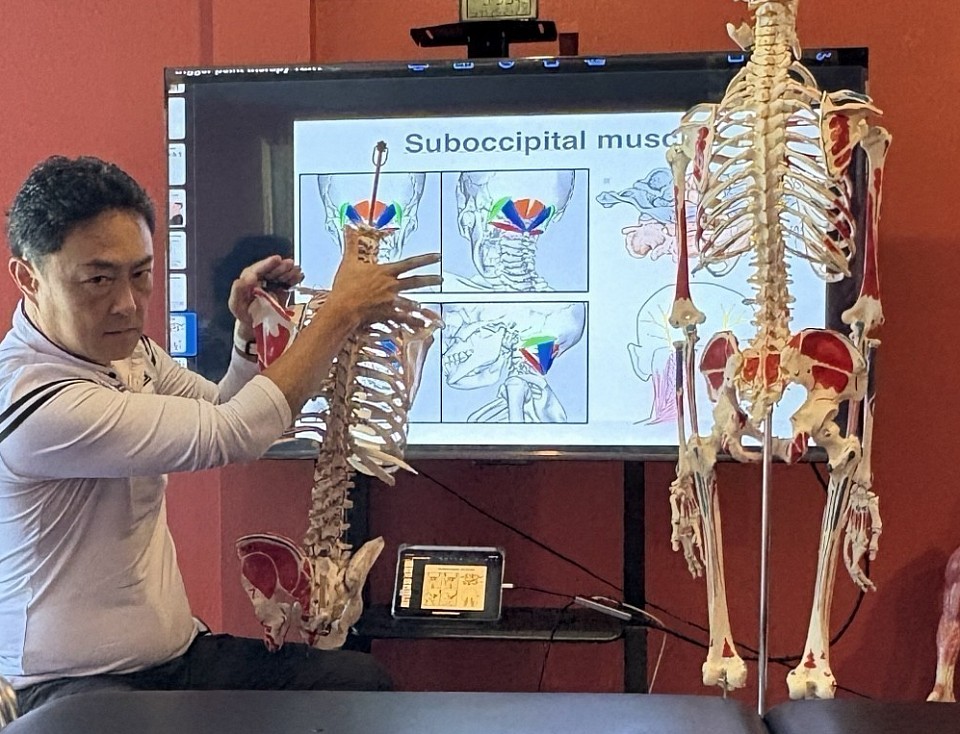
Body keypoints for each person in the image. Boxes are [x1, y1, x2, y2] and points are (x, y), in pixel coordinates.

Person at [0, 155, 441, 715]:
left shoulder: (129, 353)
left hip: (177, 660)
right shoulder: (34, 401)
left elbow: (224, 407)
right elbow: (235, 433)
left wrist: (248, 336)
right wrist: (341, 313)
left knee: (357, 684)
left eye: (141, 274)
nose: (128, 304)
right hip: (68, 686)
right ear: (28, 278)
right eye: (98, 280)